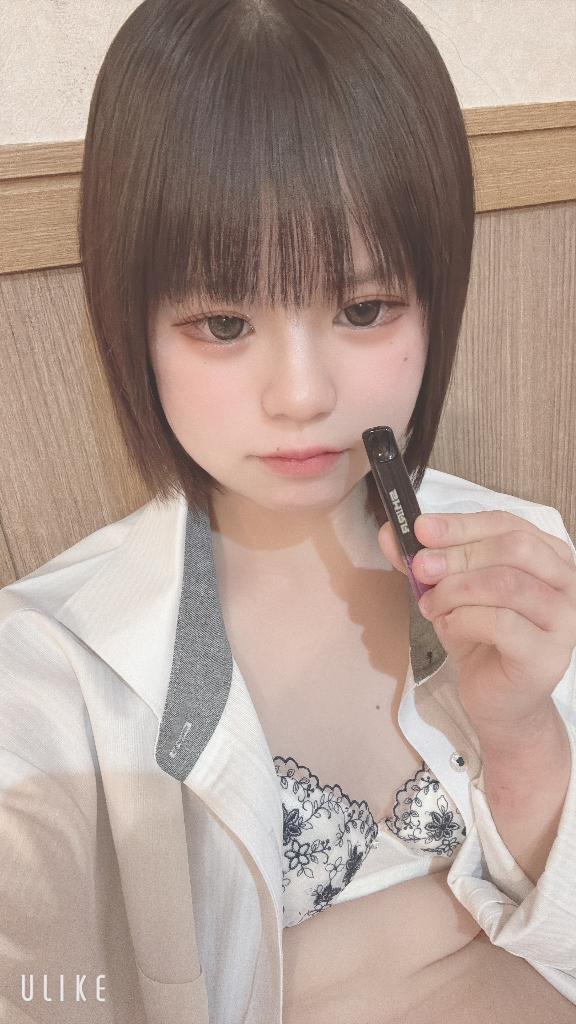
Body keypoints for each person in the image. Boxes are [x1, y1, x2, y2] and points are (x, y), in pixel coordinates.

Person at [1, 1, 575, 1022]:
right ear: (132, 321)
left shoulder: (522, 558)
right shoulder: (48, 673)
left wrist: (523, 734)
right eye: (225, 322)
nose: (303, 395)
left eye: (363, 309)